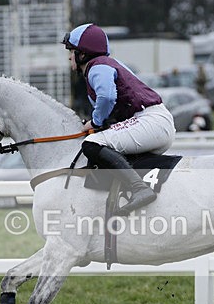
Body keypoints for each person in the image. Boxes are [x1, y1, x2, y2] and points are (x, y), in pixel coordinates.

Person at [62, 23, 175, 215]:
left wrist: (95, 122)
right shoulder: (107, 64)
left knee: (91, 144)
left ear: (82, 54)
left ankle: (140, 189)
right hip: (153, 121)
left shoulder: (97, 67)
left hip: (150, 121)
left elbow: (106, 97)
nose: (69, 56)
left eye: (71, 51)